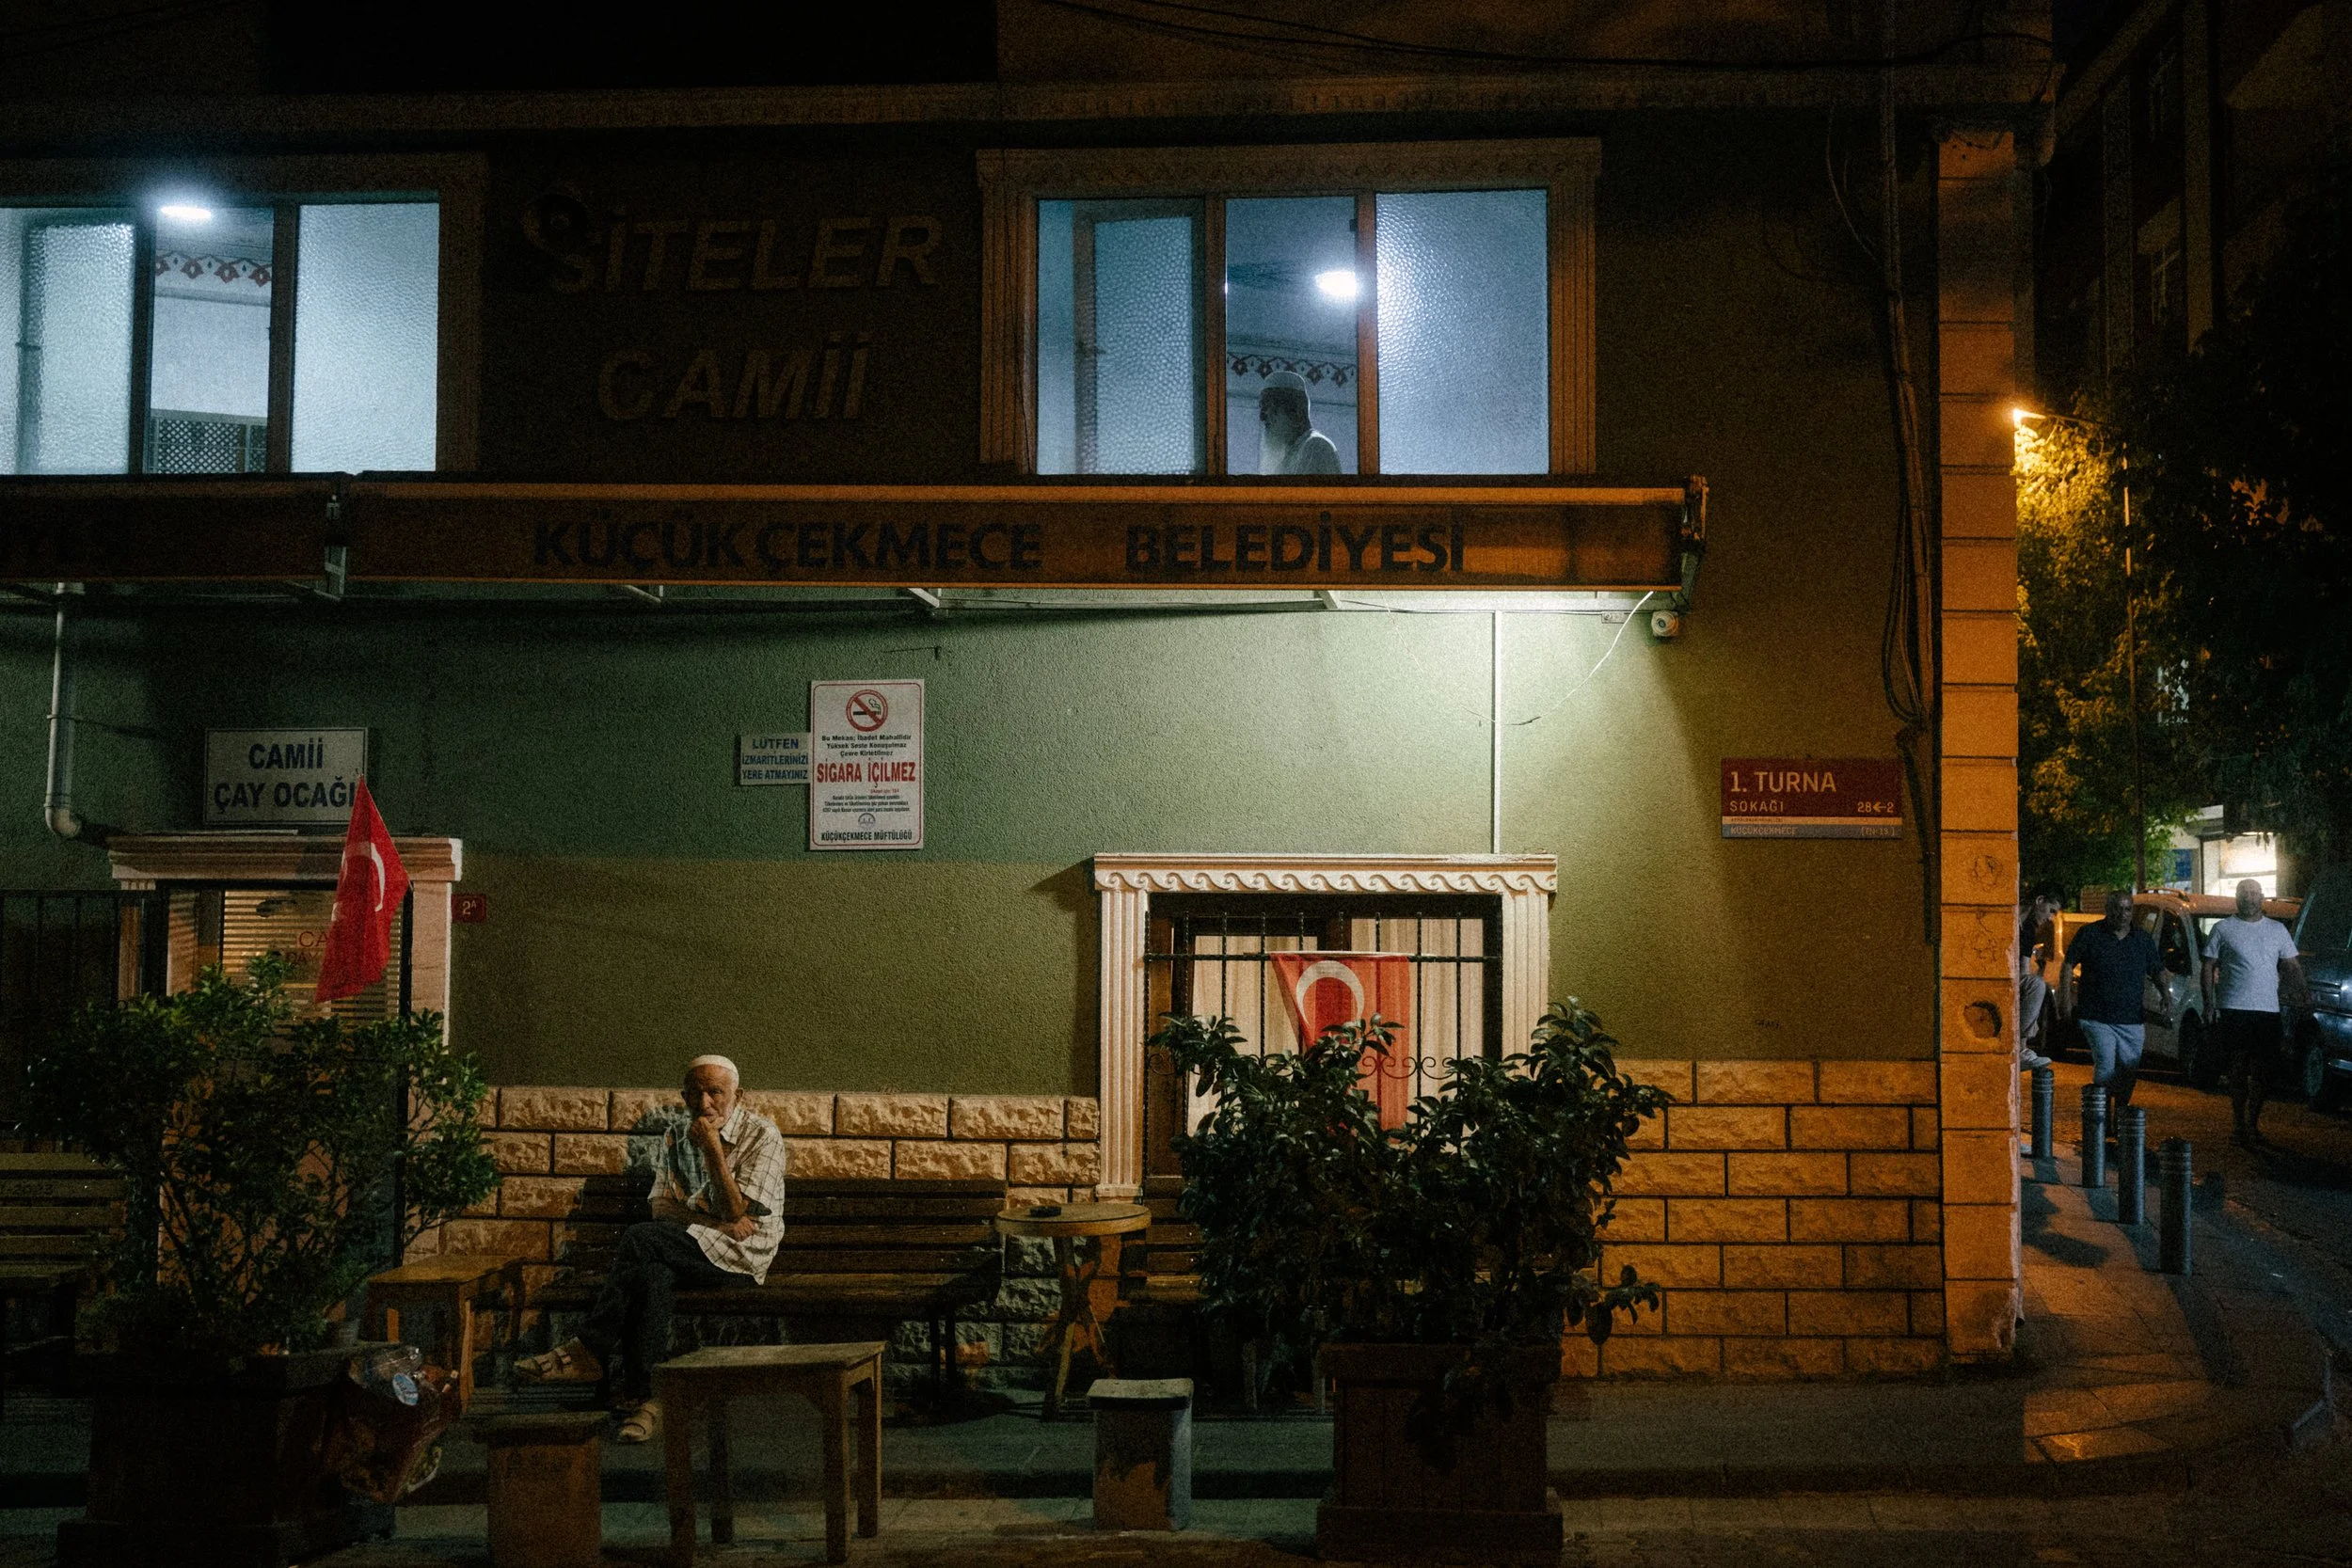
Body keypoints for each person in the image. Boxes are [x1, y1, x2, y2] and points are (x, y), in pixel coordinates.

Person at [514, 1054, 786, 1443]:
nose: (704, 1103)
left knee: (641, 1241)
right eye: (695, 1093)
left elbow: (736, 1211)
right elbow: (660, 1208)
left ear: (738, 1095)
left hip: (741, 1258)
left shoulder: (762, 1135)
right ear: (683, 1095)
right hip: (688, 1246)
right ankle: (647, 1397)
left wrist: (711, 1149)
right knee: (650, 1272)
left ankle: (591, 1349)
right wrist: (713, 1223)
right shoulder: (675, 1136)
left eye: (715, 1093)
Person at [2203, 879, 2305, 1148]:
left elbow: (2291, 965)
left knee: (2263, 1070)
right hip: (2235, 1007)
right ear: (2237, 898)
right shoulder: (2223, 929)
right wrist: (2209, 1003)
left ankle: (2253, 1123)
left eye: (2254, 893)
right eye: (2244, 893)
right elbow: (2208, 965)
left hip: (2267, 1009)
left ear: (2262, 897)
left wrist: (2302, 993)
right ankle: (2238, 1123)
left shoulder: (2277, 930)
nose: (2250, 898)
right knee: (2238, 1067)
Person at [2060, 889, 2171, 1113]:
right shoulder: (2089, 934)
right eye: (2118, 909)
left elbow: (2157, 970)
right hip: (2096, 1017)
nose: (2123, 914)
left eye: (2127, 909)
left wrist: (2165, 995)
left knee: (2129, 1071)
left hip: (2131, 1019)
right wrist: (2064, 1002)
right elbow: (2068, 966)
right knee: (2106, 1066)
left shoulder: (2142, 940)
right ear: (2108, 910)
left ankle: (2121, 1112)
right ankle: (2100, 1119)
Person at [1257, 370, 1342, 475]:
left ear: (1295, 410)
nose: (1262, 417)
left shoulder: (1316, 447)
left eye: (1267, 407)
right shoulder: (1291, 454)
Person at [2016, 886, 2059, 1071]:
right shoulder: (2010, 916)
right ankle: (2019, 1048)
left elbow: (2024, 968)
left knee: (2035, 986)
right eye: (2051, 911)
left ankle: (2021, 1048)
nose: (2050, 918)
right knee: (2037, 985)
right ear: (2040, 900)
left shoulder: (2028, 929)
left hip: (2010, 978)